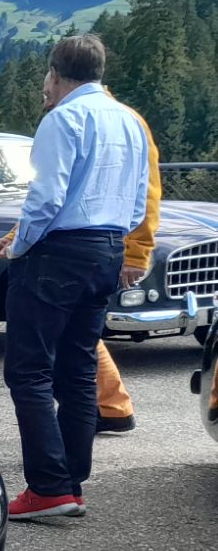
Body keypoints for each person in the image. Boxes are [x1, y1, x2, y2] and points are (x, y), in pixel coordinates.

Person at [0, 34, 149, 520]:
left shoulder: (62, 119)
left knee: (29, 371)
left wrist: (20, 245)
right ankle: (72, 482)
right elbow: (138, 200)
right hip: (108, 248)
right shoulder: (130, 120)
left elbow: (46, 197)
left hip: (56, 254)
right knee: (78, 369)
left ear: (55, 74)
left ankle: (47, 487)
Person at [95, 103, 163, 434]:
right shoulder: (117, 118)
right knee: (77, 331)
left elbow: (146, 190)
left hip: (97, 244)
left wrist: (137, 252)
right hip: (95, 243)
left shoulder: (122, 120)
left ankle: (111, 407)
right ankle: (111, 407)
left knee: (74, 330)